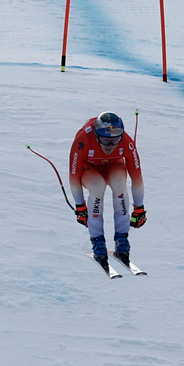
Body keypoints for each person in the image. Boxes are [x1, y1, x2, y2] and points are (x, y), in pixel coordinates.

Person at [69, 112, 147, 270]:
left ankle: (122, 240)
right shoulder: (83, 139)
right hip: (89, 168)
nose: (110, 146)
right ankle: (97, 241)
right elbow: (74, 177)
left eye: (115, 140)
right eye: (105, 140)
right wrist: (80, 206)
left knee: (120, 185)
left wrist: (139, 208)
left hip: (113, 166)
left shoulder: (126, 141)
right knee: (98, 187)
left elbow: (137, 178)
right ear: (97, 135)